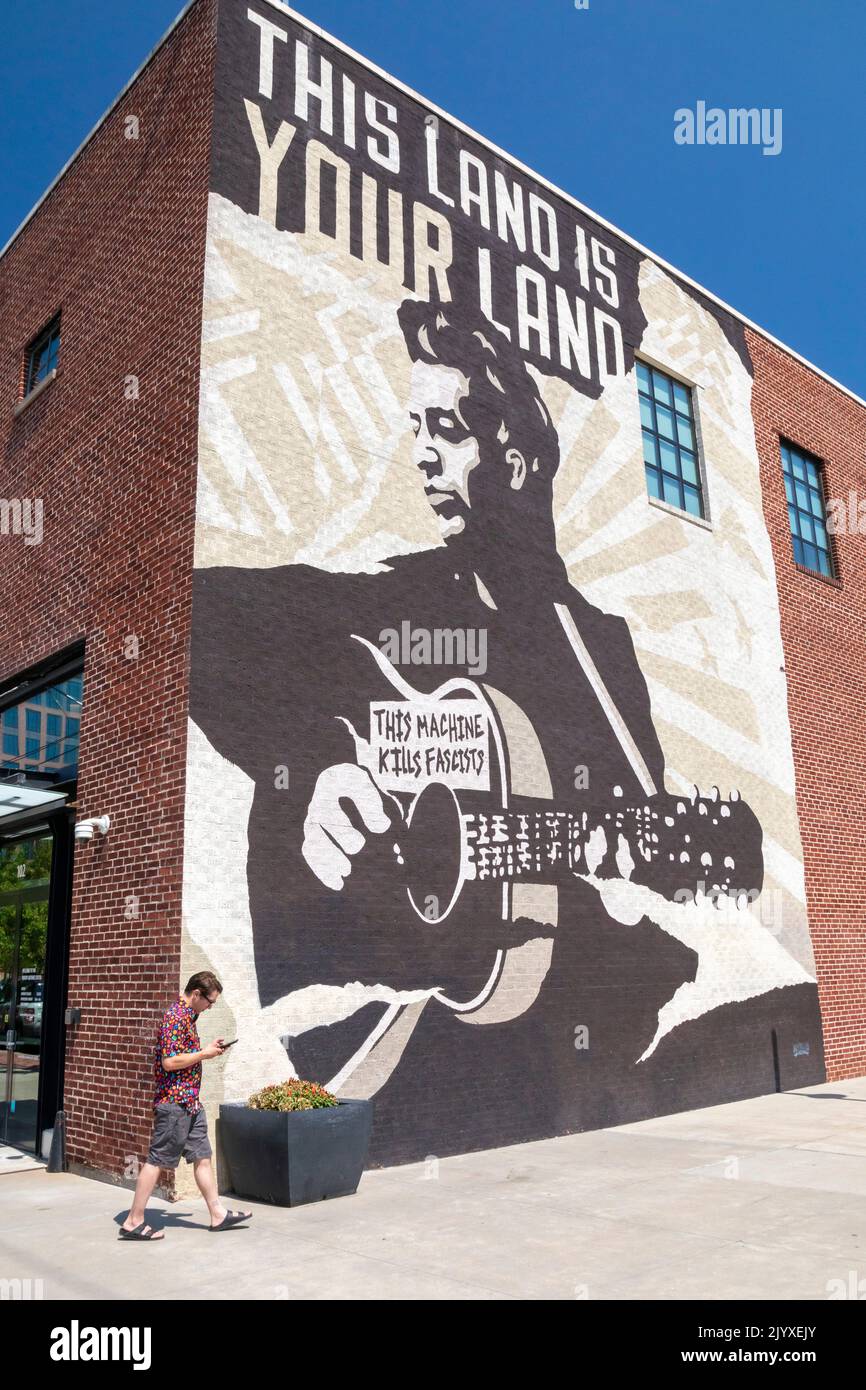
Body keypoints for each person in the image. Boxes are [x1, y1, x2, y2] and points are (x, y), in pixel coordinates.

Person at [189, 298, 824, 1166]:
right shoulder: (397, 603)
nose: (421, 453)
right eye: (417, 427)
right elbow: (207, 612)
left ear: (516, 458)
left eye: (446, 430)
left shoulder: (599, 652)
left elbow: (620, 871)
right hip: (395, 1043)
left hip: (541, 1058)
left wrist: (629, 865)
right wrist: (319, 759)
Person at [118, 971, 252, 1239]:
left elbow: (183, 1053)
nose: (211, 1007)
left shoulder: (190, 1017)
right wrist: (204, 1053)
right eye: (210, 1001)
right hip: (174, 1103)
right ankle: (134, 1221)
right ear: (196, 994)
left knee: (202, 1156)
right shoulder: (175, 1018)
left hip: (191, 1102)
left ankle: (217, 1214)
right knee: (157, 1160)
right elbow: (169, 1062)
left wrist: (208, 1048)